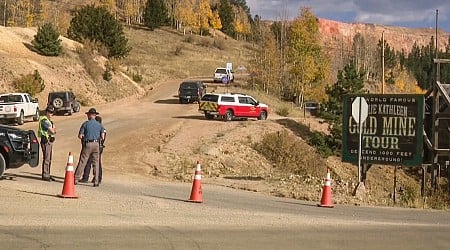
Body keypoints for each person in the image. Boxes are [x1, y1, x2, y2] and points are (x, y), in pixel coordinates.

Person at [74, 108, 106, 187]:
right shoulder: (99, 125)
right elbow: (102, 136)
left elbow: (80, 136)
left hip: (88, 144)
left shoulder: (85, 124)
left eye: (88, 114)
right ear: (95, 115)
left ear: (90, 115)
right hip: (96, 144)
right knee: (96, 163)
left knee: (83, 161)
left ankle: (76, 178)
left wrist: (85, 137)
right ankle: (96, 180)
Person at [38, 105, 56, 182]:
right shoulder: (44, 120)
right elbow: (52, 131)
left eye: (52, 112)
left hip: (49, 140)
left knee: (49, 158)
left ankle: (47, 173)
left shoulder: (49, 121)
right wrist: (53, 129)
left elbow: (54, 131)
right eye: (49, 112)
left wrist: (53, 129)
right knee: (47, 158)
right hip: (45, 140)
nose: (51, 114)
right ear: (46, 112)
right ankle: (45, 174)